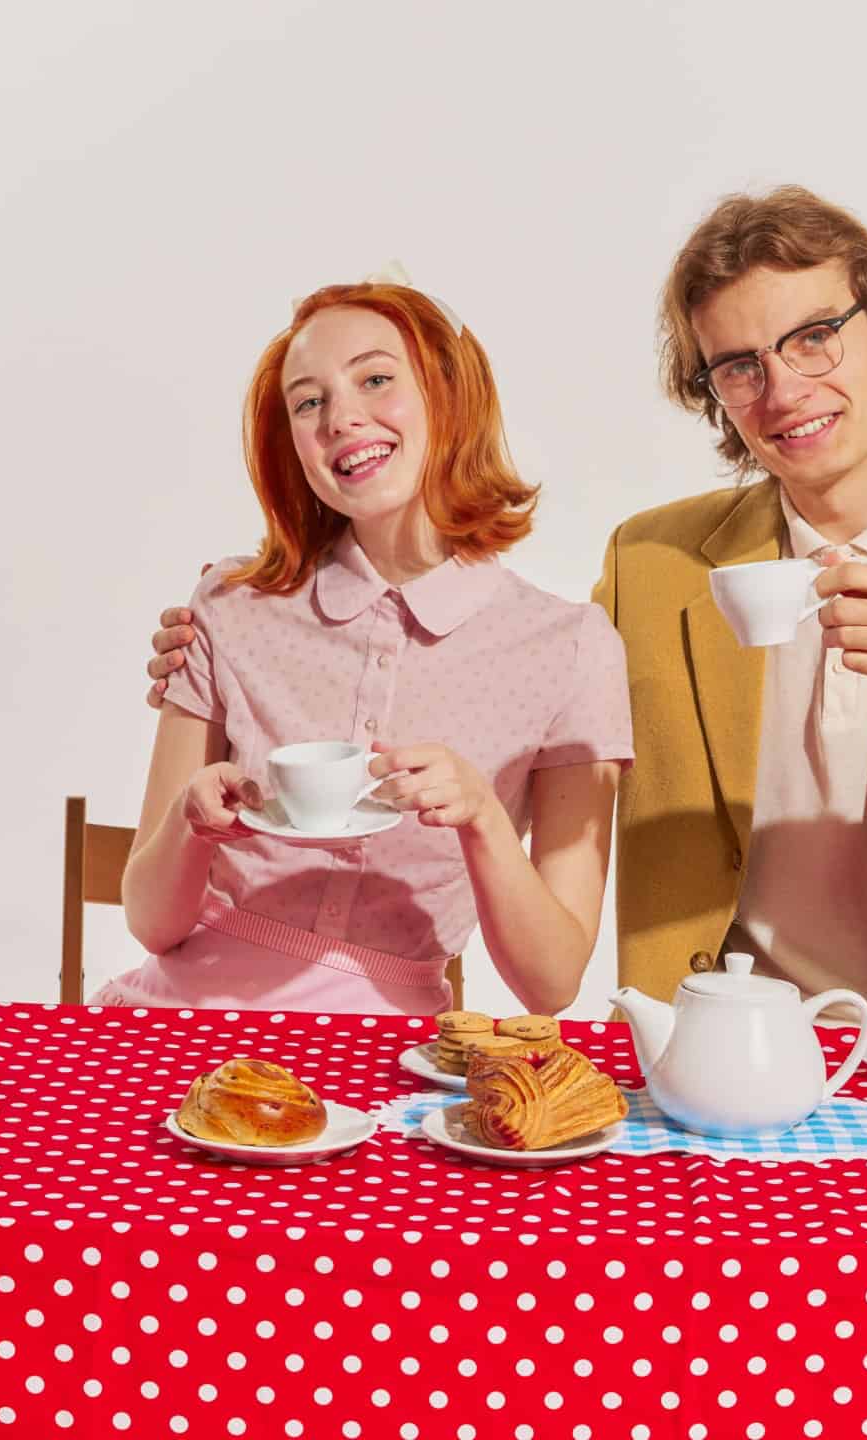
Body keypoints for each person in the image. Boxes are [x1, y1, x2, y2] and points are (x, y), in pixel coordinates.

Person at [151, 191, 867, 1032]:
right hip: (711, 1041)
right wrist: (236, 625)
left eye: (815, 337)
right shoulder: (652, 564)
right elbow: (505, 659)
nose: (782, 388)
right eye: (738, 365)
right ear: (713, 391)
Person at [102, 279, 632, 1017]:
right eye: (308, 402)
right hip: (177, 1022)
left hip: (390, 1054)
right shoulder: (228, 604)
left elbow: (552, 983)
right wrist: (191, 825)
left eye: (376, 379)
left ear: (449, 396)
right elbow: (149, 923)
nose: (341, 418)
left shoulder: (572, 649)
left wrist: (481, 814)